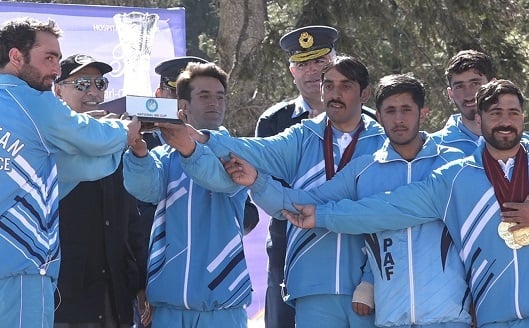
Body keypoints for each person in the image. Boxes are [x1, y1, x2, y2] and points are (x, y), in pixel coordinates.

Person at [0, 17, 138, 326]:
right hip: (20, 269)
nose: (56, 69)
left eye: (58, 59)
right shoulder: (35, 103)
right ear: (16, 57)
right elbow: (89, 137)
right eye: (49, 57)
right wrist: (124, 131)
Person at [229, 73, 472, 327]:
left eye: (406, 110)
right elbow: (309, 200)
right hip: (391, 317)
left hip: (449, 316)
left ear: (423, 113)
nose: (398, 119)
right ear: (379, 117)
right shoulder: (364, 169)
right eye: (390, 111)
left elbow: (382, 213)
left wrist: (324, 217)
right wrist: (257, 181)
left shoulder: (455, 164)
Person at [283, 79, 529, 327]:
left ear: (522, 116)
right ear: (479, 119)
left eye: (513, 113)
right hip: (494, 318)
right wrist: (322, 215)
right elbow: (387, 209)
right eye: (496, 113)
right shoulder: (455, 177)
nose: (505, 121)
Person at [164, 55, 385, 327]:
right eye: (328, 86)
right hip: (311, 286)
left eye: (346, 86)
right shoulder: (302, 137)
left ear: (364, 93)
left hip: (371, 289)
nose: (335, 94)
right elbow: (255, 150)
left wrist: (372, 281)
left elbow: (388, 222)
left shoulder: (383, 144)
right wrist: (205, 138)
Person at [123, 62, 252, 328]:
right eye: (204, 96)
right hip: (168, 306)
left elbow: (218, 179)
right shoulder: (162, 157)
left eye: (219, 96)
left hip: (221, 305)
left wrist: (188, 147)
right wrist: (138, 151)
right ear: (182, 106)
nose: (214, 103)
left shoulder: (237, 150)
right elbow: (146, 190)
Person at [52, 54, 147, 328]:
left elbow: (131, 220)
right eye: (82, 83)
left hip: (114, 294)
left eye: (100, 83)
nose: (93, 91)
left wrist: (140, 281)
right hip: (64, 297)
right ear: (58, 90)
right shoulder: (46, 141)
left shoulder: (116, 138)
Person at [255, 26, 338, 328]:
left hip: (349, 248)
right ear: (292, 71)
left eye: (320, 62)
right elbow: (266, 189)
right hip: (288, 248)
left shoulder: (366, 120)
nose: (312, 71)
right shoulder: (273, 121)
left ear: (335, 63)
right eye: (303, 64)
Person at [430, 50, 495, 154]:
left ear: (493, 86)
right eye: (459, 86)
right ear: (450, 94)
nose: (469, 95)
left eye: (475, 84)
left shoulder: (523, 145)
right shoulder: (432, 148)